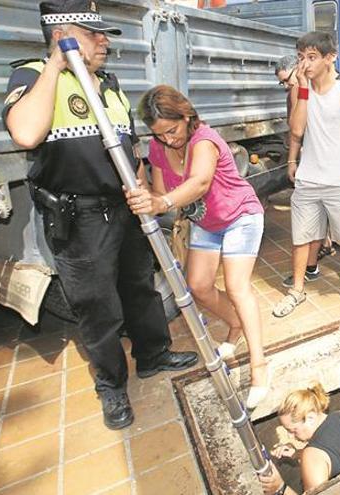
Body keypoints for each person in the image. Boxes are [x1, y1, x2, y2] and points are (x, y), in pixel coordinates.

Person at [2, 0, 198, 430]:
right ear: (61, 35)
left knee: (139, 288)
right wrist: (56, 65)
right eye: (93, 33)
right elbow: (26, 132)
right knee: (98, 306)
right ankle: (111, 384)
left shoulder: (107, 82)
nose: (104, 40)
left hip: (123, 209)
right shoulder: (34, 77)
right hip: (80, 219)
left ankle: (153, 354)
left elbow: (128, 148)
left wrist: (145, 190)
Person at [127, 85, 268, 408]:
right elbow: (161, 194)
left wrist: (160, 200)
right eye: (159, 134)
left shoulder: (204, 139)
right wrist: (142, 190)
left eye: (172, 130)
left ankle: (259, 368)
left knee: (236, 286)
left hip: (240, 216)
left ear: (186, 115)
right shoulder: (159, 147)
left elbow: (200, 182)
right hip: (206, 221)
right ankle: (236, 326)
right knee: (198, 287)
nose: (168, 139)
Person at [272, 31, 340, 318]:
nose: (306, 64)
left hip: (339, 180)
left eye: (312, 57)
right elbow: (297, 130)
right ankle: (297, 290)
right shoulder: (300, 91)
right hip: (308, 179)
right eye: (302, 58)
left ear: (330, 58)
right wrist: (301, 89)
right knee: (301, 238)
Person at [259, 384, 340, 494]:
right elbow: (336, 453)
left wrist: (280, 487)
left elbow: (318, 456)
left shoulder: (312, 456)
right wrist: (296, 454)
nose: (290, 437)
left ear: (310, 418)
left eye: (293, 430)